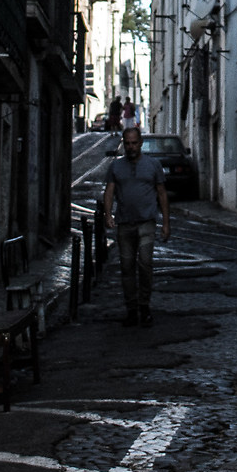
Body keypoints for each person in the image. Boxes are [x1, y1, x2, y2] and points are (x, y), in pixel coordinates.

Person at [101, 123, 169, 326]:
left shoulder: (153, 165)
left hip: (147, 222)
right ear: (124, 144)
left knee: (146, 264)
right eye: (127, 144)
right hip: (125, 223)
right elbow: (109, 191)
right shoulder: (116, 166)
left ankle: (144, 306)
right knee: (127, 266)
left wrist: (166, 222)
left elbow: (162, 193)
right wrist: (108, 214)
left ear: (140, 143)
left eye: (134, 143)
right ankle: (131, 309)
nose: (131, 147)